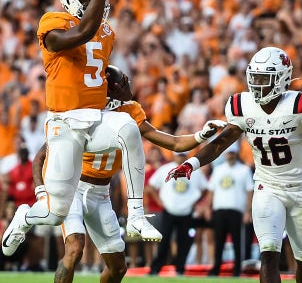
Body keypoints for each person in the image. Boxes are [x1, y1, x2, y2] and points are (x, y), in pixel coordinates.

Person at [166, 46, 302, 283]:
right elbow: (220, 144)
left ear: (282, 78)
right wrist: (191, 162)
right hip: (267, 187)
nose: (257, 84)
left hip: (299, 189)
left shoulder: (299, 104)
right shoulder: (242, 106)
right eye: (254, 78)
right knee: (269, 254)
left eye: (264, 78)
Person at [2, 0, 162, 257]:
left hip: (94, 118)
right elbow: (83, 32)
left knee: (128, 128)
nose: (95, 8)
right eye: (88, 0)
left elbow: (99, 74)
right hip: (64, 124)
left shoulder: (107, 32)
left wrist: (122, 90)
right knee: (55, 214)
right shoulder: (52, 23)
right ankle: (25, 216)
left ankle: (137, 214)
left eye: (98, 0)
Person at [31, 65, 226, 282]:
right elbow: (41, 156)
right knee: (75, 249)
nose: (128, 86)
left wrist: (200, 135)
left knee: (118, 268)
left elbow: (174, 142)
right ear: (110, 89)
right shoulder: (82, 112)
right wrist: (41, 192)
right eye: (122, 82)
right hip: (75, 187)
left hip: (101, 192)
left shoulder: (129, 112)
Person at [206, 143, 254, 277]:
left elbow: (250, 191)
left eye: (232, 153)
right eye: (228, 153)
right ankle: (216, 268)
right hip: (220, 209)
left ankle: (237, 270)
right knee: (219, 241)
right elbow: (211, 190)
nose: (230, 155)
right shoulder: (218, 169)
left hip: (236, 210)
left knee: (237, 242)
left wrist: (247, 211)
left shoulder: (244, 169)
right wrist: (208, 208)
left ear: (236, 154)